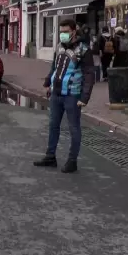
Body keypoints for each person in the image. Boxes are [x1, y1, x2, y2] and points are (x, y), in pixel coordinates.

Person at [34, 19, 95, 174]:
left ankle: (72, 161)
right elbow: (55, 67)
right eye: (61, 32)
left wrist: (84, 97)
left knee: (74, 128)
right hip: (56, 93)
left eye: (66, 32)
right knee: (53, 125)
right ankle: (50, 156)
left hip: (72, 95)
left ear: (74, 31)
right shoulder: (59, 47)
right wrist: (48, 83)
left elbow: (89, 75)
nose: (62, 35)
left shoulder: (84, 50)